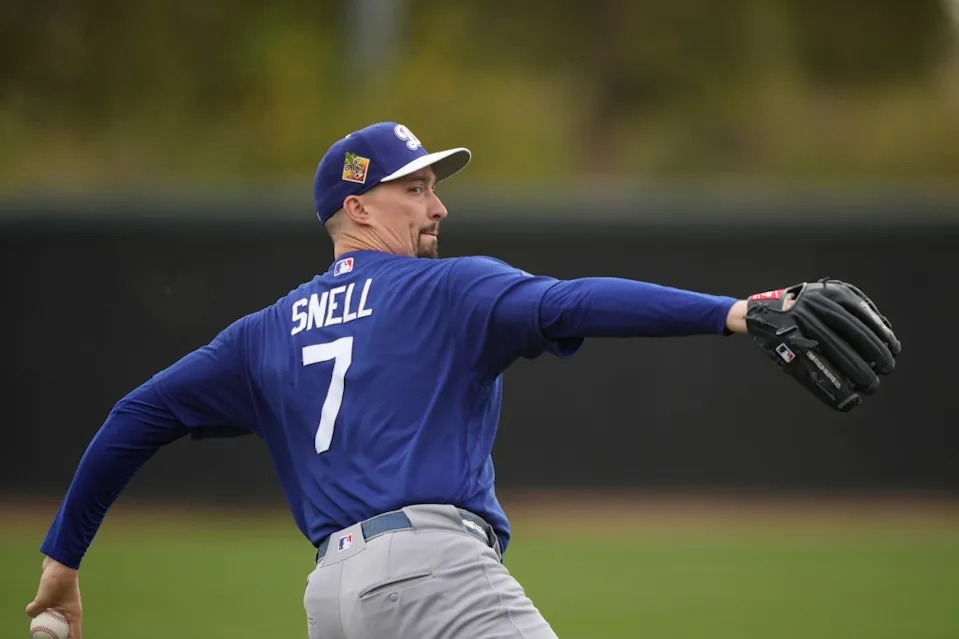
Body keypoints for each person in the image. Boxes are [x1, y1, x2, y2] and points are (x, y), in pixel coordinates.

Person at [27, 121, 758, 639]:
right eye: (415, 187)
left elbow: (134, 417)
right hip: (432, 573)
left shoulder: (264, 334)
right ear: (358, 207)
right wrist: (732, 312)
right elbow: (574, 302)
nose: (438, 206)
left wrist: (62, 561)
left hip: (331, 601)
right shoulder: (447, 290)